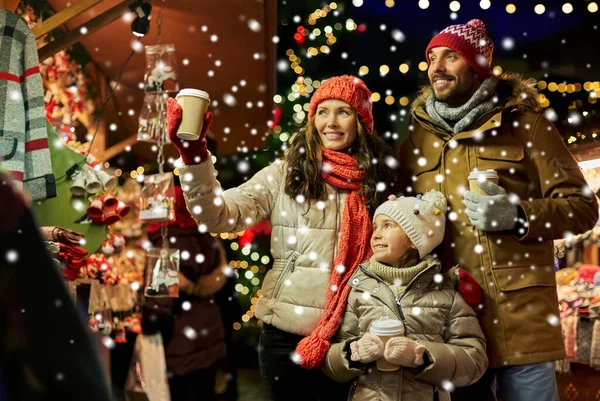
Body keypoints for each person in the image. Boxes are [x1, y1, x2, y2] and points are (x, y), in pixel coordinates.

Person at [397, 19, 599, 401]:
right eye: (431, 58)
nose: (436, 67)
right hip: (449, 325)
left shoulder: (527, 126)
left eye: (450, 56)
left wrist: (518, 216)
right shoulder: (416, 143)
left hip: (521, 321)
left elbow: (584, 208)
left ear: (477, 66)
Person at [166, 75, 397, 401]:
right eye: (322, 111)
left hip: (353, 338)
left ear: (361, 122)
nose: (330, 122)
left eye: (343, 112)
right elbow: (217, 215)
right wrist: (194, 156)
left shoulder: (378, 182)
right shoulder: (286, 173)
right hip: (286, 338)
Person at [324, 190, 487, 401]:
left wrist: (423, 356)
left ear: (413, 240)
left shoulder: (445, 293)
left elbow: (474, 361)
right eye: (376, 227)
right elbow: (329, 361)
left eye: (388, 226)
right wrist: (353, 352)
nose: (376, 235)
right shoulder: (359, 289)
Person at [143, 183, 227, 401]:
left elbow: (159, 306)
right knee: (205, 391)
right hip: (208, 331)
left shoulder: (165, 236)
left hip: (180, 342)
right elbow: (218, 272)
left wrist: (146, 319)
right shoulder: (206, 231)